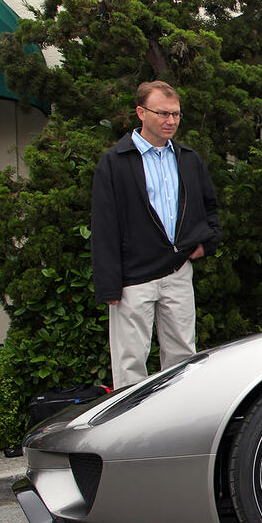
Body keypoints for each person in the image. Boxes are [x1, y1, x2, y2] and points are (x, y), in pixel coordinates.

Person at [91, 81, 222, 388]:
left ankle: (176, 425)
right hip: (132, 278)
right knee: (129, 362)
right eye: (163, 113)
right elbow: (104, 225)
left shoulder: (188, 158)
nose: (171, 121)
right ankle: (127, 431)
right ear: (141, 112)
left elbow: (210, 205)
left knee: (183, 360)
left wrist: (208, 242)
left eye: (175, 114)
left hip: (178, 271)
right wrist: (109, 287)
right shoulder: (115, 161)